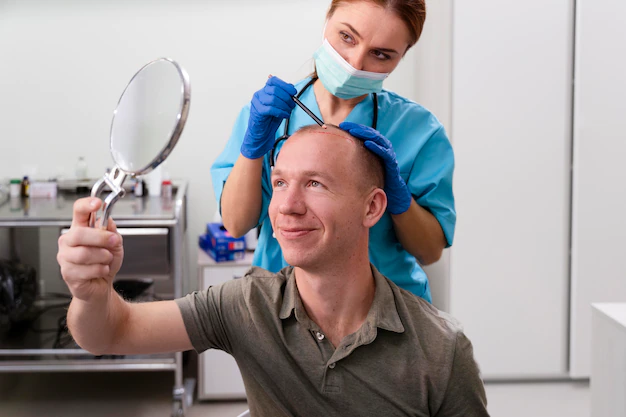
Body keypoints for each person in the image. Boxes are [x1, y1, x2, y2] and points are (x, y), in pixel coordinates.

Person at [57, 125, 488, 417]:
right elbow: (108, 333)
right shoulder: (247, 305)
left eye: (315, 183)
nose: (286, 206)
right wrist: (91, 294)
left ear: (372, 207)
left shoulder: (440, 350)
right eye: (280, 183)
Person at [212, 0, 455, 303]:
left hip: (392, 315)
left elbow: (429, 252)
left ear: (401, 57)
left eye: (380, 54)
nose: (355, 62)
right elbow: (235, 224)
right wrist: (252, 149)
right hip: (281, 309)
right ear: (327, 20)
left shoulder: (420, 131)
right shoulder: (268, 115)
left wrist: (397, 196)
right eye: (347, 37)